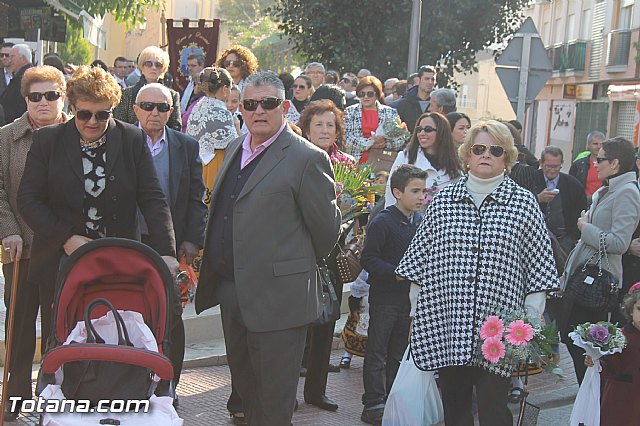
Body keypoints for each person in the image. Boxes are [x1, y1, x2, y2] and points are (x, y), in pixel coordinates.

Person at [17, 66, 179, 388]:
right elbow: (29, 201)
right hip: (62, 263)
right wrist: (66, 237)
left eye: (102, 115)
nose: (92, 122)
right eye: (84, 114)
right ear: (72, 108)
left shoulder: (131, 138)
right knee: (62, 340)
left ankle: (115, 398)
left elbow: (152, 198)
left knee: (117, 337)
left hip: (118, 265)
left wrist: (166, 253)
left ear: (112, 111)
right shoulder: (49, 140)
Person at [194, 71, 341, 426]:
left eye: (269, 103)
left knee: (274, 405)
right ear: (239, 108)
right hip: (233, 293)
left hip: (280, 300)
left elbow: (326, 232)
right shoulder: (233, 147)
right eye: (250, 104)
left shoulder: (306, 158)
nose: (259, 111)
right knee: (246, 395)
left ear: (285, 107)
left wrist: (287, 266)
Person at [396, 120, 559, 426]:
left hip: (501, 330)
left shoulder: (524, 204)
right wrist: (417, 315)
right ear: (467, 154)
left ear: (506, 157)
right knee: (455, 408)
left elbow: (540, 270)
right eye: (479, 148)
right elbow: (419, 264)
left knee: (493, 409)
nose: (486, 155)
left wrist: (531, 320)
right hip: (446, 323)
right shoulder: (443, 201)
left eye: (495, 150)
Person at [0, 65, 69, 420]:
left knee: (62, 326)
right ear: (25, 99)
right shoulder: (6, 137)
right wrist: (8, 228)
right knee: (20, 326)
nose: (43, 102)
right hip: (20, 249)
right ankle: (14, 396)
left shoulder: (79, 133)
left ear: (63, 96)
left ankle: (54, 394)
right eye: (35, 96)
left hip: (63, 252)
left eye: (51, 95)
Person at [133, 83, 207, 400]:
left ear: (171, 111)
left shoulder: (186, 146)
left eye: (162, 107)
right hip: (129, 245)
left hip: (170, 249)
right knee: (132, 315)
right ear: (135, 108)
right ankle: (132, 383)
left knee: (171, 318)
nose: (155, 113)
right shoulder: (120, 141)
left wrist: (191, 240)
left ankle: (169, 385)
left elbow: (196, 198)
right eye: (148, 106)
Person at [562, 137, 640, 385]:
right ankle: (589, 397)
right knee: (575, 337)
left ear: (615, 163)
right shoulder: (607, 189)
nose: (595, 164)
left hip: (599, 280)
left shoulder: (627, 193)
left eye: (601, 159)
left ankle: (594, 397)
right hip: (585, 273)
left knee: (584, 342)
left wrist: (586, 228)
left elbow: (619, 242)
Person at [297, 99, 353, 412]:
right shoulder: (296, 157)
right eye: (318, 124)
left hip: (332, 255)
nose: (324, 130)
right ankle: (287, 390)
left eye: (330, 124)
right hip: (300, 253)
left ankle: (316, 390)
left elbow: (359, 208)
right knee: (296, 326)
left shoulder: (347, 163)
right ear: (306, 128)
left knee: (326, 322)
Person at [360, 164, 426, 425]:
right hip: (385, 298)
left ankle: (392, 400)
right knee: (377, 351)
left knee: (398, 351)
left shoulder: (420, 221)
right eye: (415, 191)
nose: (422, 197)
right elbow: (368, 259)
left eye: (424, 191)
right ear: (398, 192)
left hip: (407, 301)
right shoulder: (382, 222)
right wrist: (396, 273)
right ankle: (373, 403)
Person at [583, 284, 640, 426]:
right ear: (631, 310)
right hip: (622, 404)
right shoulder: (618, 337)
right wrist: (595, 360)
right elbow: (606, 367)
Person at [385, 112, 460, 208]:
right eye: (419, 129)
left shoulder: (454, 162)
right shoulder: (405, 157)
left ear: (441, 133)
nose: (422, 133)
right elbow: (391, 191)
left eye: (428, 130)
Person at [186, 67, 238, 203]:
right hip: (216, 163)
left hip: (199, 162)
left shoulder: (197, 106)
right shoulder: (221, 111)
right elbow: (234, 145)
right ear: (225, 89)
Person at [113, 45, 182, 131]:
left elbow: (176, 127)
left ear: (163, 68)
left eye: (158, 65)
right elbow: (119, 125)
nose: (153, 68)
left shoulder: (173, 95)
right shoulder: (127, 94)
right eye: (148, 64)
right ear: (142, 66)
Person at [535, 146, 587, 254]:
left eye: (556, 166)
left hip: (564, 242)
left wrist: (570, 240)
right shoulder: (531, 180)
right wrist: (538, 198)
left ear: (561, 163)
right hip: (535, 239)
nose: (552, 170)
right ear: (541, 163)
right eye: (548, 166)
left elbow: (580, 213)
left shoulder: (574, 186)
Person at [344, 76, 404, 163]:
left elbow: (399, 141)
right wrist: (370, 144)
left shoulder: (390, 112)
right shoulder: (350, 111)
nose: (365, 97)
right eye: (362, 94)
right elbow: (346, 137)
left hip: (381, 164)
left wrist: (384, 143)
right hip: (355, 163)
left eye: (370, 94)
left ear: (377, 94)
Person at [393, 65, 435, 132]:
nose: (430, 82)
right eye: (426, 79)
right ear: (419, 79)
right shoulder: (404, 103)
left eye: (432, 79)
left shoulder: (438, 103)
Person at [0, 44, 33, 124]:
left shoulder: (26, 79)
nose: (10, 60)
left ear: (23, 59)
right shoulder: (19, 77)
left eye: (12, 56)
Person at [569, 130, 606, 200]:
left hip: (603, 202)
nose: (598, 147)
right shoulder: (578, 165)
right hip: (583, 203)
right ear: (588, 145)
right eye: (595, 144)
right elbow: (570, 186)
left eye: (601, 144)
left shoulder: (610, 165)